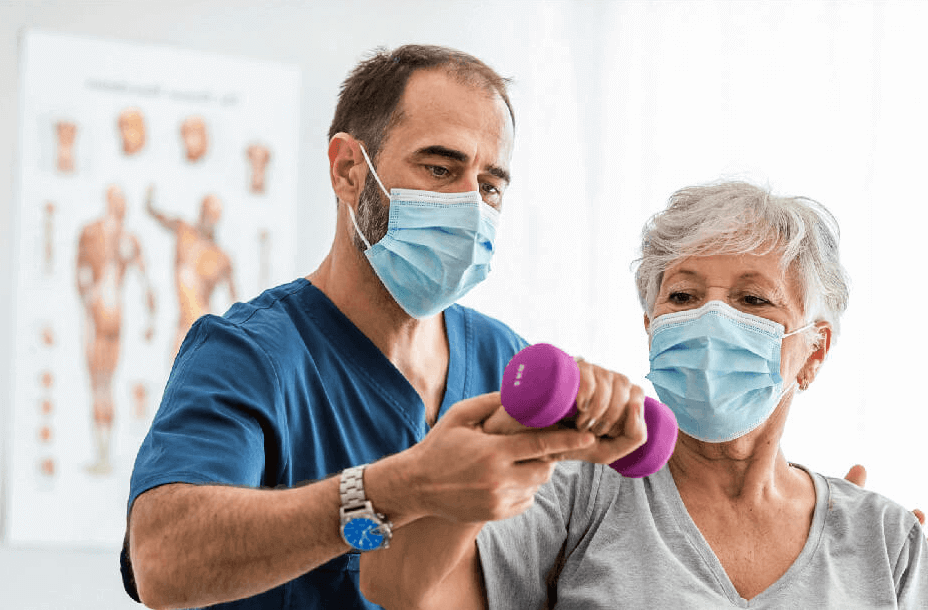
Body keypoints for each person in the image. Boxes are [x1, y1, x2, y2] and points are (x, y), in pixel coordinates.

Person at [121, 44, 645, 610]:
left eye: (491, 186)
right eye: (440, 168)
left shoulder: (505, 363)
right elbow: (163, 562)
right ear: (348, 169)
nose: (470, 205)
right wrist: (394, 489)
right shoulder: (251, 355)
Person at [358, 181, 928, 608]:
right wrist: (504, 439)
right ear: (650, 329)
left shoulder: (886, 537)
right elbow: (399, 585)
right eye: (684, 297)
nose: (712, 320)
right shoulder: (576, 493)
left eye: (753, 300)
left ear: (813, 351)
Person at [76, 184, 155, 475]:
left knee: (102, 384)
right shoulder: (93, 233)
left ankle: (104, 453)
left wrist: (150, 318)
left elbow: (146, 281)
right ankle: (102, 452)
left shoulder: (126, 239)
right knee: (99, 384)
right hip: (100, 308)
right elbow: (82, 272)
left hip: (107, 312)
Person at [144, 186, 237, 362]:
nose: (210, 219)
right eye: (207, 212)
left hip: (203, 328)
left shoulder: (221, 258)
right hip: (183, 327)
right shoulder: (184, 232)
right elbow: (157, 215)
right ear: (200, 211)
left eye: (214, 215)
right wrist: (149, 200)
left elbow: (234, 300)